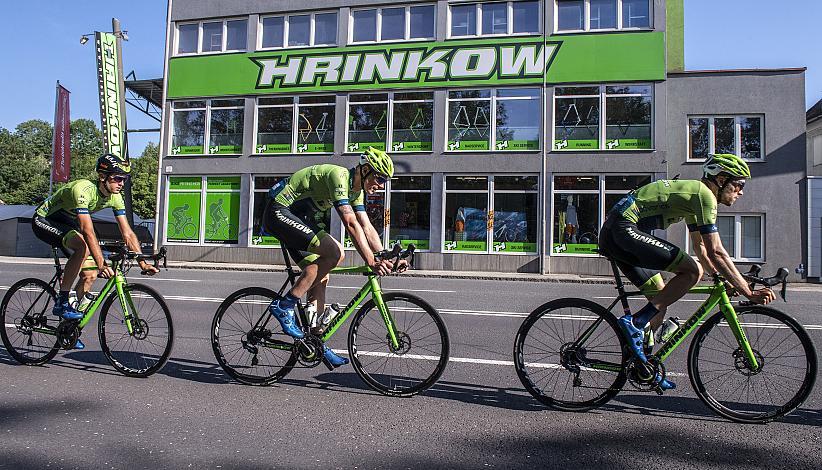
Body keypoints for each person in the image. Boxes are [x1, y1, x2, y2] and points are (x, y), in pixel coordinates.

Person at [598, 153, 775, 390]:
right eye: (738, 184)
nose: (741, 191)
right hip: (622, 229)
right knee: (692, 272)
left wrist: (725, 279)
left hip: (616, 233)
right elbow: (717, 252)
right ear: (722, 179)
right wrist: (747, 291)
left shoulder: (697, 198)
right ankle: (636, 322)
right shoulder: (704, 196)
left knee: (660, 296)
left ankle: (644, 367)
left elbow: (701, 247)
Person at [261, 147, 406, 367]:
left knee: (319, 274)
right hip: (279, 210)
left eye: (385, 181)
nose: (381, 185)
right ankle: (284, 305)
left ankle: (315, 341)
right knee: (335, 252)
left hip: (301, 218)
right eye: (379, 178)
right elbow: (350, 224)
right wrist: (371, 261)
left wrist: (384, 255)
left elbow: (366, 226)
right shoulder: (339, 176)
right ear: (365, 170)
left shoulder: (357, 192)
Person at [31, 153, 159, 348]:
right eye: (117, 178)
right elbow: (88, 231)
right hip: (46, 220)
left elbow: (128, 233)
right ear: (102, 177)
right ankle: (62, 301)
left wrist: (142, 262)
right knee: (82, 247)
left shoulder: (115, 198)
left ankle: (68, 329)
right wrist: (102, 263)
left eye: (123, 179)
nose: (121, 184)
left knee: (89, 276)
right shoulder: (83, 189)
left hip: (67, 222)